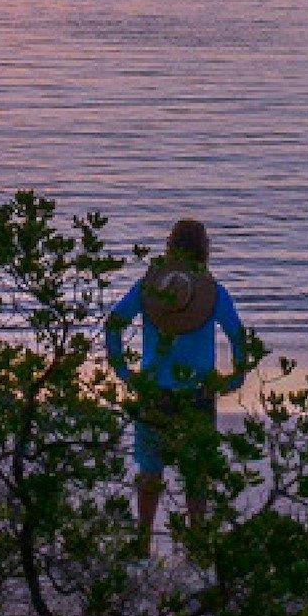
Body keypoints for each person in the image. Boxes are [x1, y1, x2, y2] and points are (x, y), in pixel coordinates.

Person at [105, 218, 249, 553]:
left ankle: (142, 541)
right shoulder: (212, 292)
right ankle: (197, 542)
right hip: (198, 394)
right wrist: (236, 376)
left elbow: (114, 323)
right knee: (196, 473)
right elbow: (238, 336)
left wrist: (123, 370)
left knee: (150, 469)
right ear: (204, 249)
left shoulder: (151, 288)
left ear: (169, 246)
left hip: (155, 391)